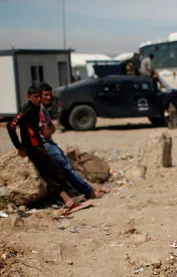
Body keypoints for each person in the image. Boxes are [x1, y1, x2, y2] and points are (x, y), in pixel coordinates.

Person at [7, 86, 92, 215]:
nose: (38, 99)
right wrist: (19, 146)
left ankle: (69, 201)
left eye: (39, 96)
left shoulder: (37, 109)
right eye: (35, 97)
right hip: (33, 147)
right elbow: (11, 125)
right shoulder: (28, 109)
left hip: (38, 145)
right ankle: (69, 202)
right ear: (29, 97)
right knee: (54, 172)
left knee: (53, 172)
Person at [39, 83, 106, 200]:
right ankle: (89, 192)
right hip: (45, 144)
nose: (48, 98)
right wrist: (50, 129)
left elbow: (51, 129)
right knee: (67, 167)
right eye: (45, 95)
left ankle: (85, 189)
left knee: (68, 165)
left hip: (47, 142)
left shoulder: (43, 109)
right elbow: (46, 131)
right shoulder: (39, 111)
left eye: (50, 95)